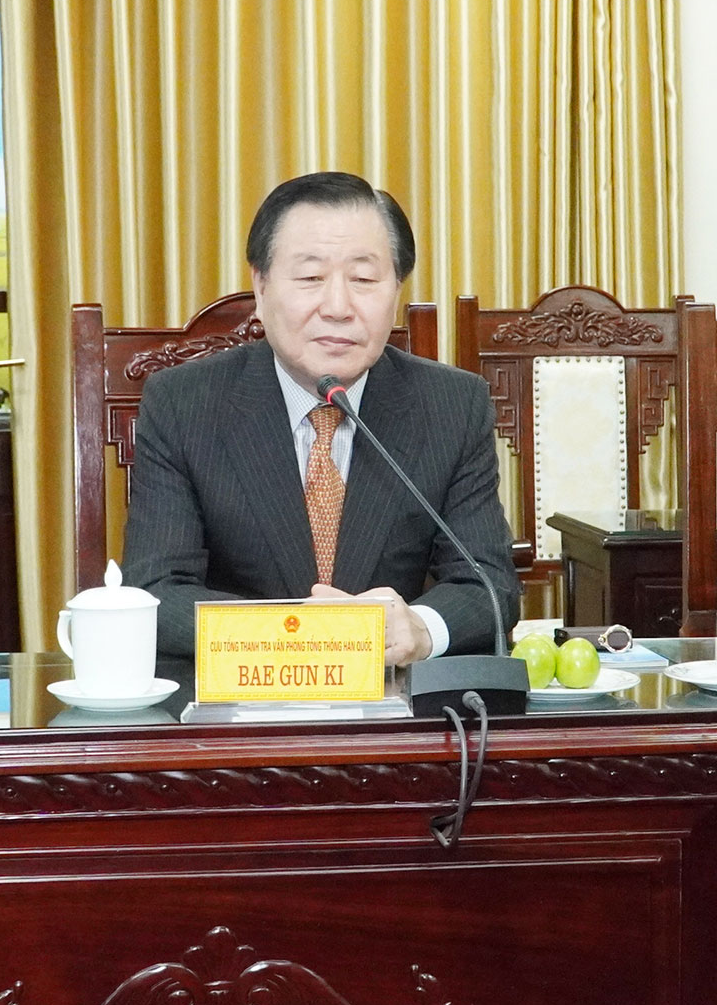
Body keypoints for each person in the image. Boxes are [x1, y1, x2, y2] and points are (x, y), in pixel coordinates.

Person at [123, 172, 519, 664]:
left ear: (396, 290)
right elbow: (157, 591)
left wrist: (419, 628)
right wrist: (308, 639)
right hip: (246, 696)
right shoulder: (184, 403)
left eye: (364, 280)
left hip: (392, 697)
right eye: (311, 278)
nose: (337, 307)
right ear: (261, 286)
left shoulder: (452, 405)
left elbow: (487, 584)